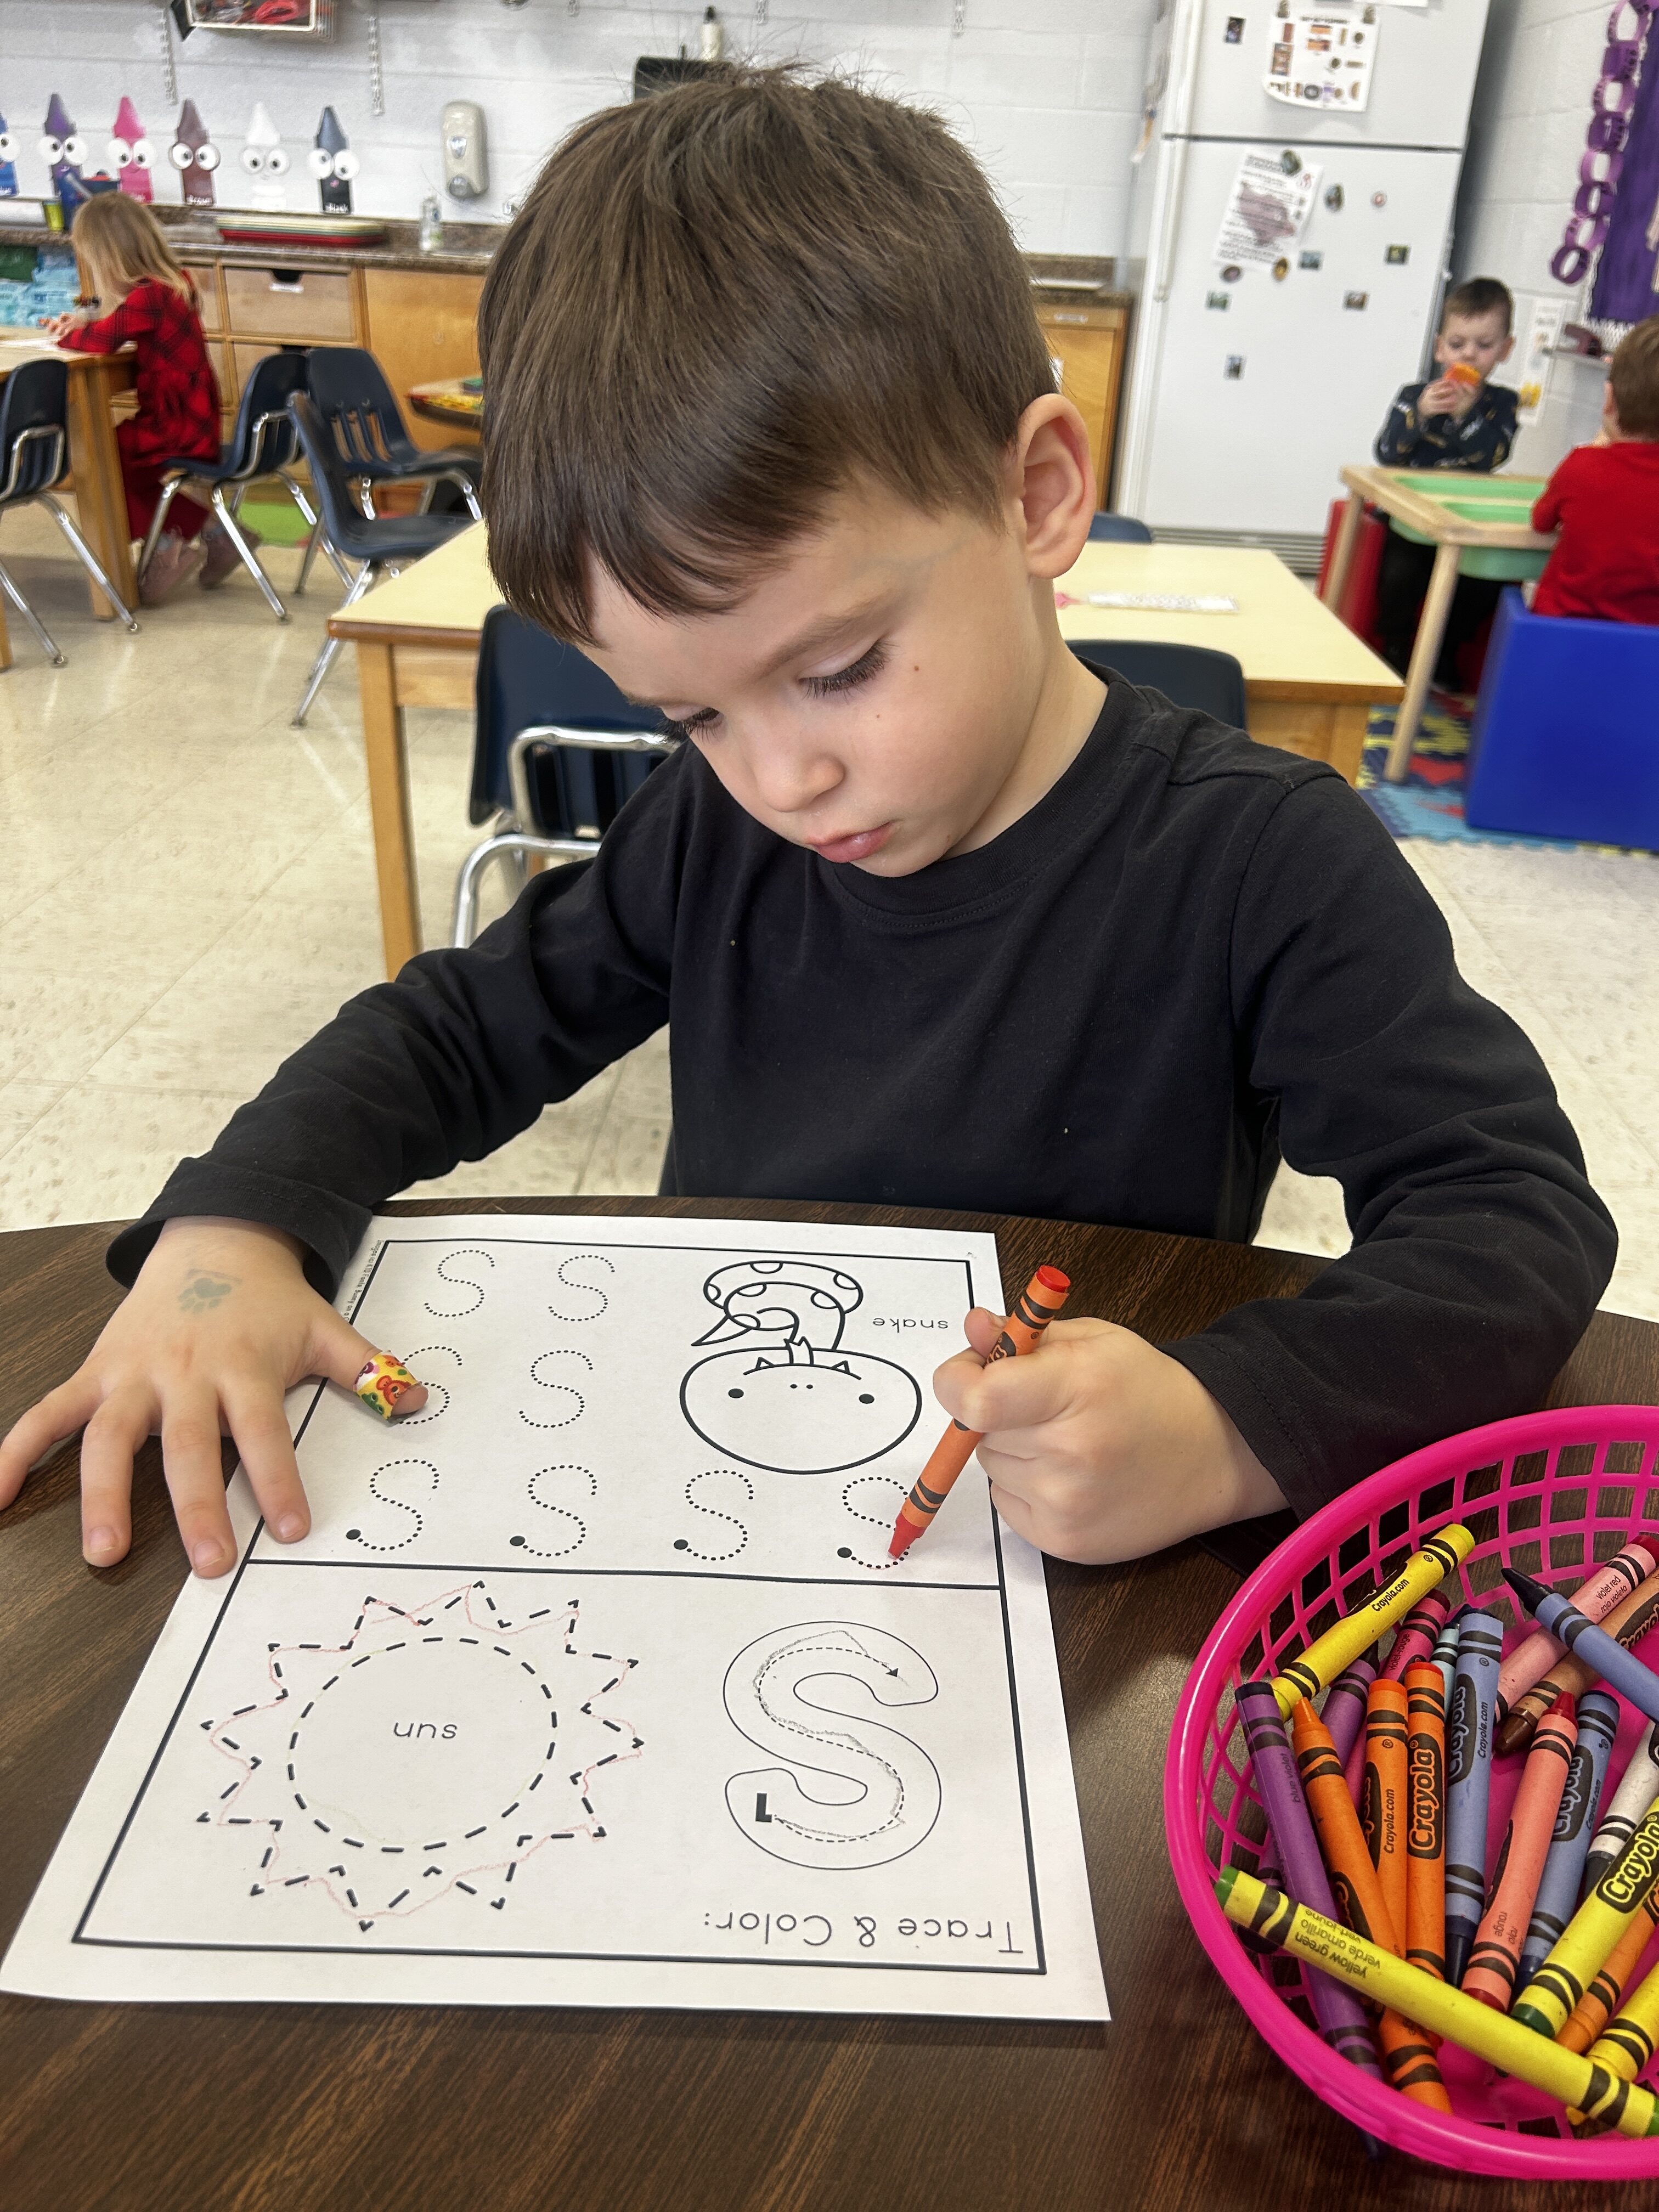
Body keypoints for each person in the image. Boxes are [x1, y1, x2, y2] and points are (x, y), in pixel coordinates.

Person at [0, 71, 1614, 1582]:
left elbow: (1514, 1219)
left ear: (1039, 497)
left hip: (1066, 1572)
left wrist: (1230, 1426)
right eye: (692, 716)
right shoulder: (715, 836)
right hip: (727, 1503)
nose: (778, 781)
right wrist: (231, 1232)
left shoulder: (1265, 862)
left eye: (836, 671)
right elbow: (453, 1030)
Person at [41, 193, 244, 606]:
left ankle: (171, 545)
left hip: (173, 426)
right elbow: (111, 321)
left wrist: (68, 335)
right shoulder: (175, 284)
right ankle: (216, 533)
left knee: (99, 462)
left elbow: (102, 342)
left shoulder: (149, 297)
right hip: (192, 420)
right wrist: (84, 319)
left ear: (111, 258)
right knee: (113, 461)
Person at [1372, 276, 1519, 687]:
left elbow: (1493, 457)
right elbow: (1386, 453)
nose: (1469, 354)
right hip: (1411, 519)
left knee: (1484, 586)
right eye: (1457, 344)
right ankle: (1395, 647)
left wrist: (1466, 418)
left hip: (1467, 521)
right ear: (1440, 348)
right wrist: (1419, 415)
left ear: (1505, 350)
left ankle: (1446, 654)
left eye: (1484, 345)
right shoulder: (1413, 395)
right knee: (1401, 574)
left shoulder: (1502, 404)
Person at [1528, 316, 1659, 625]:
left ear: (1609, 399)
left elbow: (1541, 522)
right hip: (1646, 647)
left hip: (1560, 634)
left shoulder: (1582, 465)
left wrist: (1598, 451)